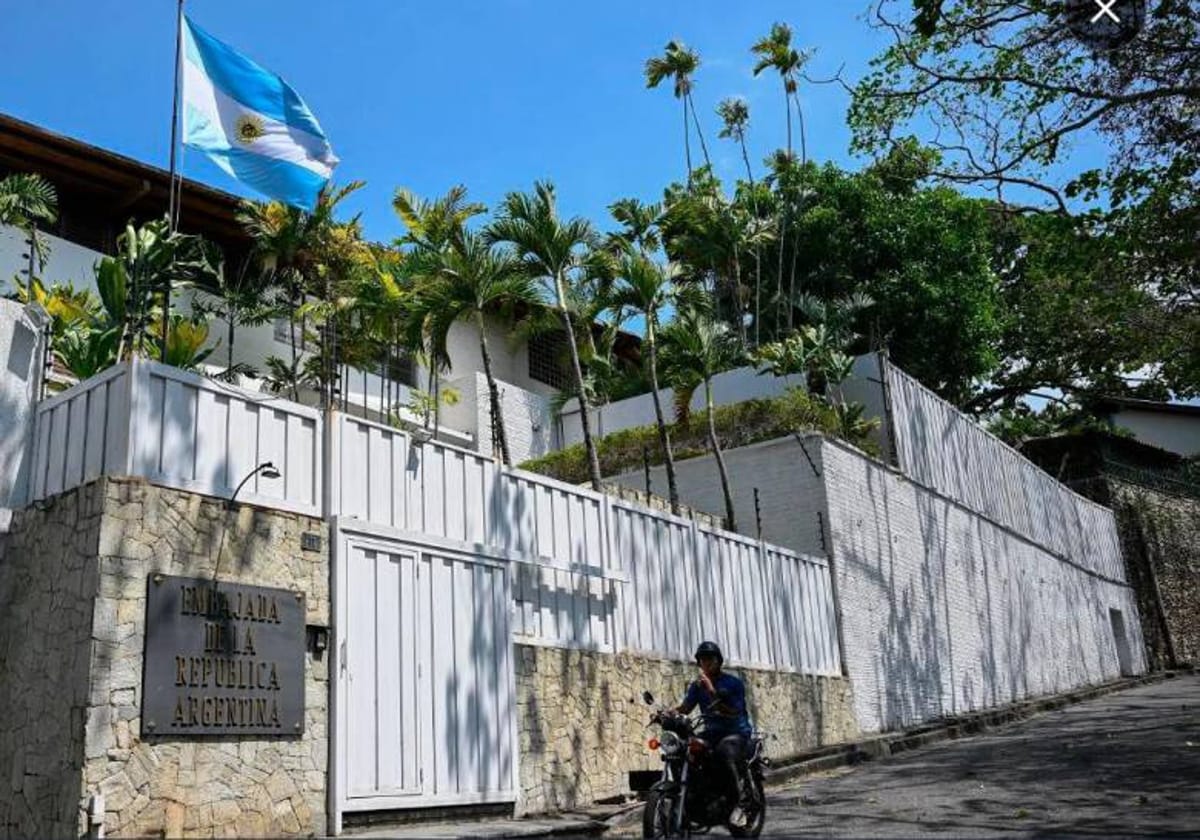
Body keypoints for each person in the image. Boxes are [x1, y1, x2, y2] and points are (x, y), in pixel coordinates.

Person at [676, 640, 755, 820]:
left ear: (719, 660)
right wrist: (666, 713)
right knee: (688, 748)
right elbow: (686, 707)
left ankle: (740, 802)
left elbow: (734, 711)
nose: (706, 662)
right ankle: (695, 797)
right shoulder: (697, 685)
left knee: (724, 750)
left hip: (737, 732)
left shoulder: (733, 683)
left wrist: (711, 689)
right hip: (713, 732)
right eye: (702, 659)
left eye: (710, 658)